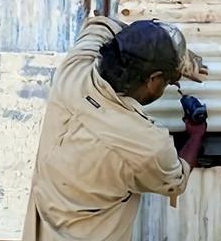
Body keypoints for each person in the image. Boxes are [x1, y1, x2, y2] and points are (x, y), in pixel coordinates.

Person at [23, 16, 208, 241]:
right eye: (168, 80)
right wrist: (195, 136)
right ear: (153, 79)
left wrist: (167, 55)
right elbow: (176, 181)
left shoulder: (74, 72)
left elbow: (99, 24)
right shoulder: (146, 145)